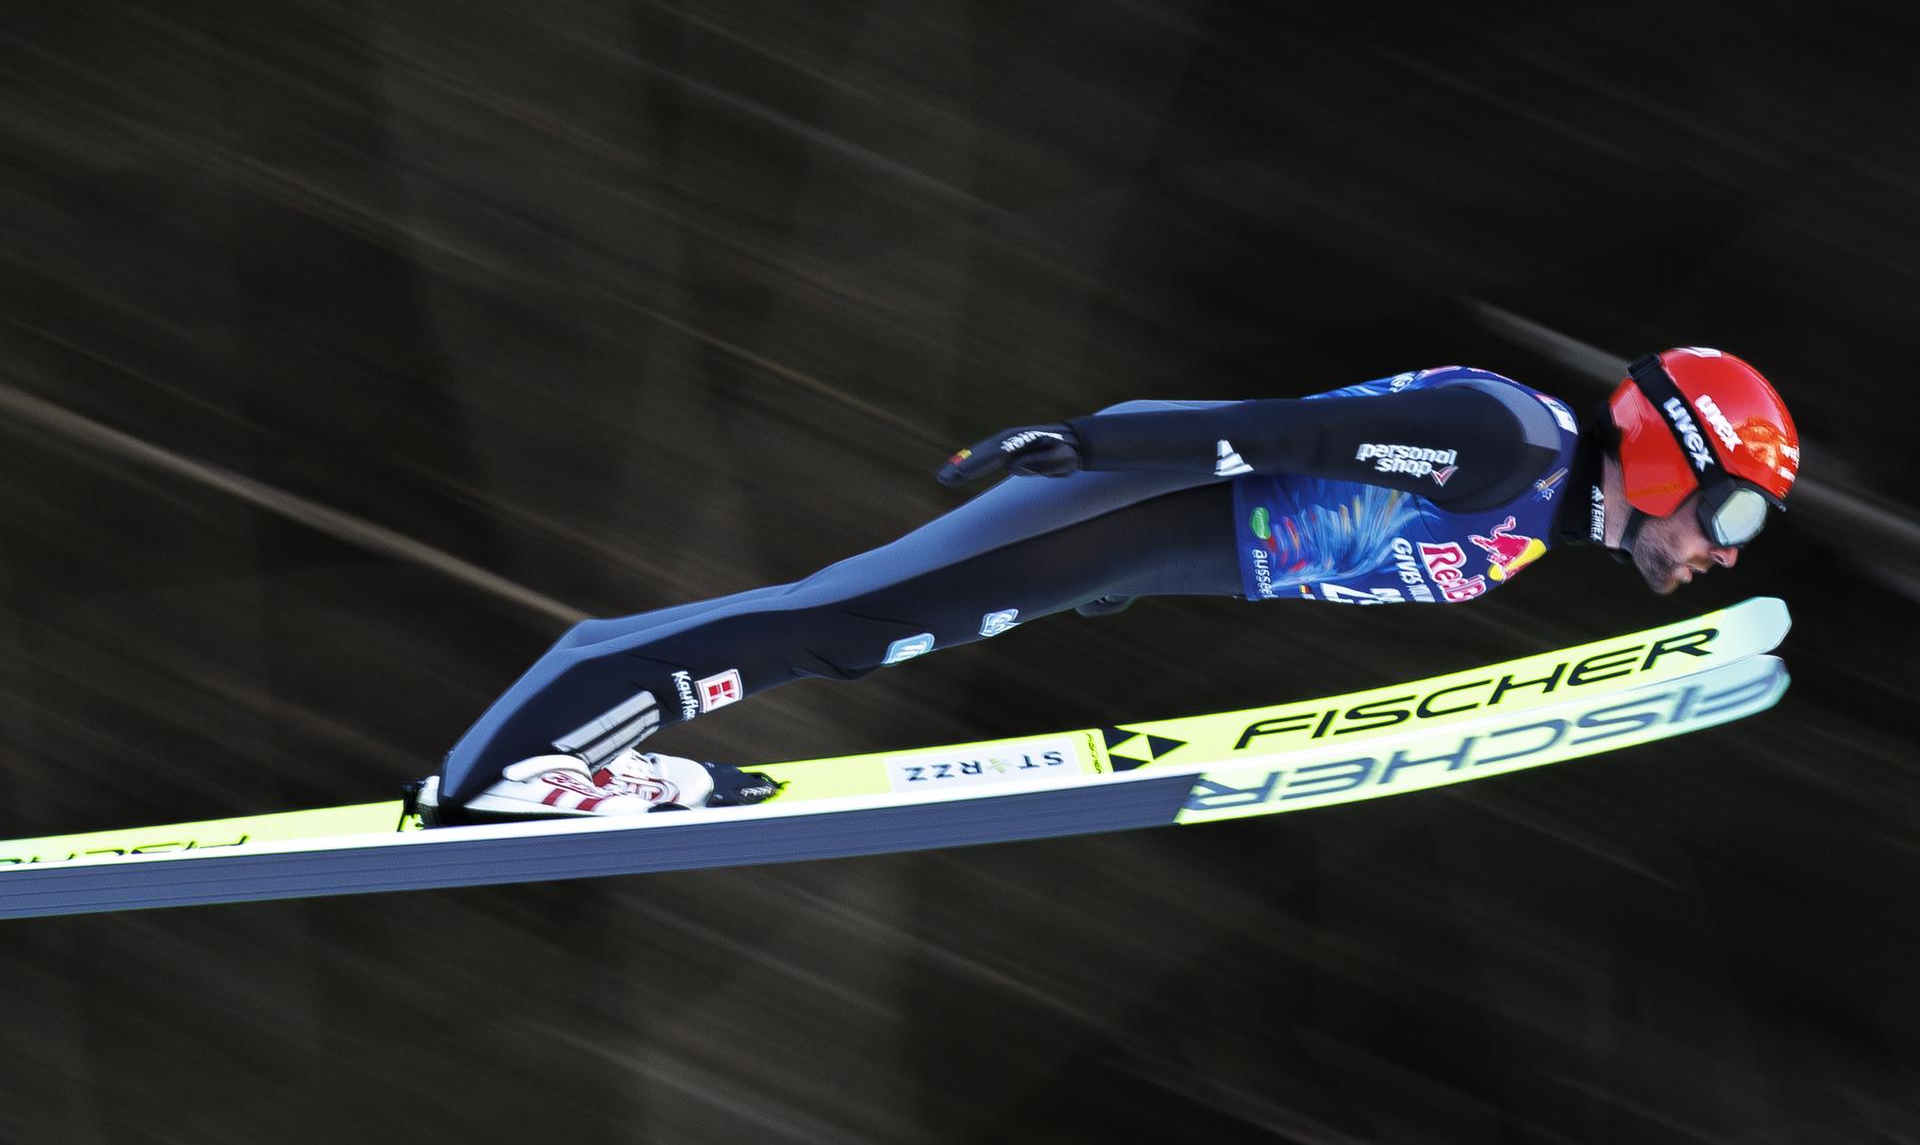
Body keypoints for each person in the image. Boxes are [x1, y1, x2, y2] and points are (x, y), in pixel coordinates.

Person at [410, 348, 1799, 825]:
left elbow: (1286, 521)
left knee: (852, 628)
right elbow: (1295, 432)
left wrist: (1110, 578)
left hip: (1123, 541)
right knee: (850, 626)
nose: (1723, 548)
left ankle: (572, 748)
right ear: (1667, 453)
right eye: (1731, 507)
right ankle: (523, 758)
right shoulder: (1513, 448)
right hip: (1117, 492)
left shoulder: (1543, 515)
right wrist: (1093, 448)